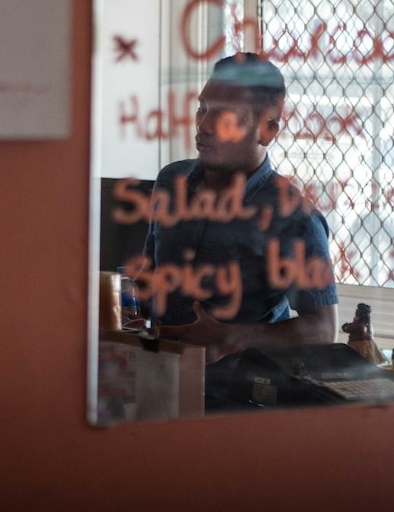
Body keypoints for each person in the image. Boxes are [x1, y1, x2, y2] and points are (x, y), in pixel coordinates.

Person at [137, 53, 339, 407]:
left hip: (237, 404)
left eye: (225, 115)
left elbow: (322, 330)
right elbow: (147, 274)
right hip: (153, 386)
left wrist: (232, 336)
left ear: (268, 130)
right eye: (203, 107)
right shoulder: (171, 181)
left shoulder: (293, 217)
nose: (204, 125)